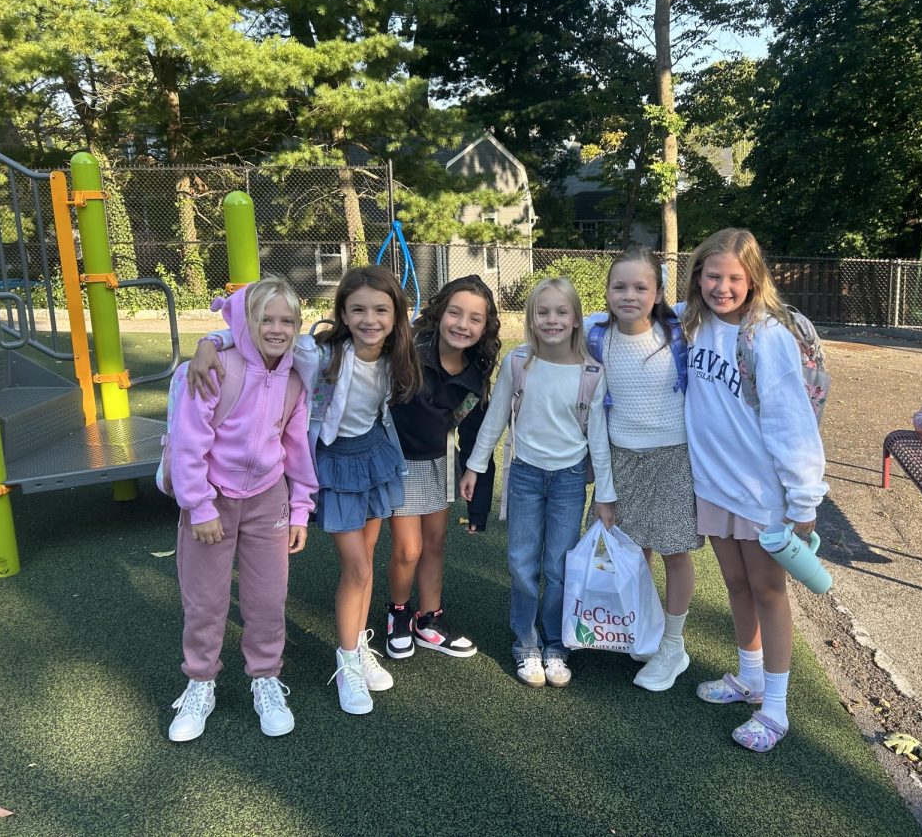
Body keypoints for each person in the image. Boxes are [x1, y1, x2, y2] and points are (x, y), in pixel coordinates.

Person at [188, 266, 420, 716]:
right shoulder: (320, 353)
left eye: (380, 310)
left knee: (365, 566)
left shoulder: (400, 354)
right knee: (356, 566)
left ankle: (355, 647)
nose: (369, 319)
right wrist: (207, 343)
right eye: (357, 310)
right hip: (334, 462)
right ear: (343, 314)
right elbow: (254, 331)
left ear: (396, 315)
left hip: (373, 456)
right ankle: (347, 661)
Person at [680, 228, 828, 752]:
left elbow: (792, 424)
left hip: (762, 495)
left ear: (753, 280)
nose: (722, 287)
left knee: (768, 591)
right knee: (736, 585)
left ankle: (777, 709)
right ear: (698, 275)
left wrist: (805, 500)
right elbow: (634, 312)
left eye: (734, 278)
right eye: (712, 275)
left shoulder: (767, 337)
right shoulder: (691, 322)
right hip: (714, 487)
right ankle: (749, 677)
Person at [167, 277, 317, 742]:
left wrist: (299, 509)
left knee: (268, 598)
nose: (276, 329)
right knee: (205, 600)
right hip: (212, 500)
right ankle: (200, 683)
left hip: (268, 499)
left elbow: (296, 448)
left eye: (287, 321)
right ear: (245, 323)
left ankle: (266, 679)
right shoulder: (216, 367)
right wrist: (200, 506)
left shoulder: (296, 378)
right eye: (265, 319)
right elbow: (190, 442)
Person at [460, 277, 616, 689]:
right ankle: (526, 643)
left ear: (577, 320)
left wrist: (605, 493)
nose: (552, 320)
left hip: (568, 482)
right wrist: (475, 466)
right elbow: (494, 420)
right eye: (542, 312)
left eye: (561, 312)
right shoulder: (518, 362)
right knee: (522, 564)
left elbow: (598, 438)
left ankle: (555, 644)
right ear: (531, 318)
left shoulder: (592, 373)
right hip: (525, 476)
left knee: (559, 567)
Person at [583, 248, 701, 692]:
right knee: (633, 552)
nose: (629, 295)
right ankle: (644, 628)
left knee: (673, 550)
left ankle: (673, 645)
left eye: (640, 287)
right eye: (619, 286)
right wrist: (605, 487)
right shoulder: (596, 334)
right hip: (621, 459)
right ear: (607, 292)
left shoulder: (679, 331)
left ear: (657, 292)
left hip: (673, 458)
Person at [384, 275, 501, 660]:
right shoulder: (406, 352)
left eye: (475, 318)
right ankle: (398, 614)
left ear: (485, 327)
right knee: (408, 549)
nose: (462, 325)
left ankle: (428, 620)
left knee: (434, 545)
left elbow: (476, 439)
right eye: (455, 312)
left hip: (437, 464)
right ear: (440, 313)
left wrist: (478, 504)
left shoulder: (474, 378)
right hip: (397, 464)